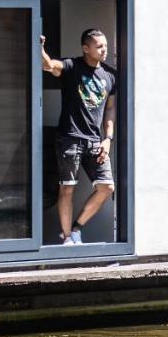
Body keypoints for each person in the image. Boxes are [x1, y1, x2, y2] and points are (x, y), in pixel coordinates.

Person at [40, 29, 117, 244]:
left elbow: (110, 109)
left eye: (105, 45)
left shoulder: (111, 75)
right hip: (70, 137)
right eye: (99, 46)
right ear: (86, 48)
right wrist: (40, 48)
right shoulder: (72, 67)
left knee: (106, 187)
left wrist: (108, 138)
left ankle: (76, 229)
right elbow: (48, 65)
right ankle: (66, 239)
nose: (104, 50)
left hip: (95, 141)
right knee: (67, 188)